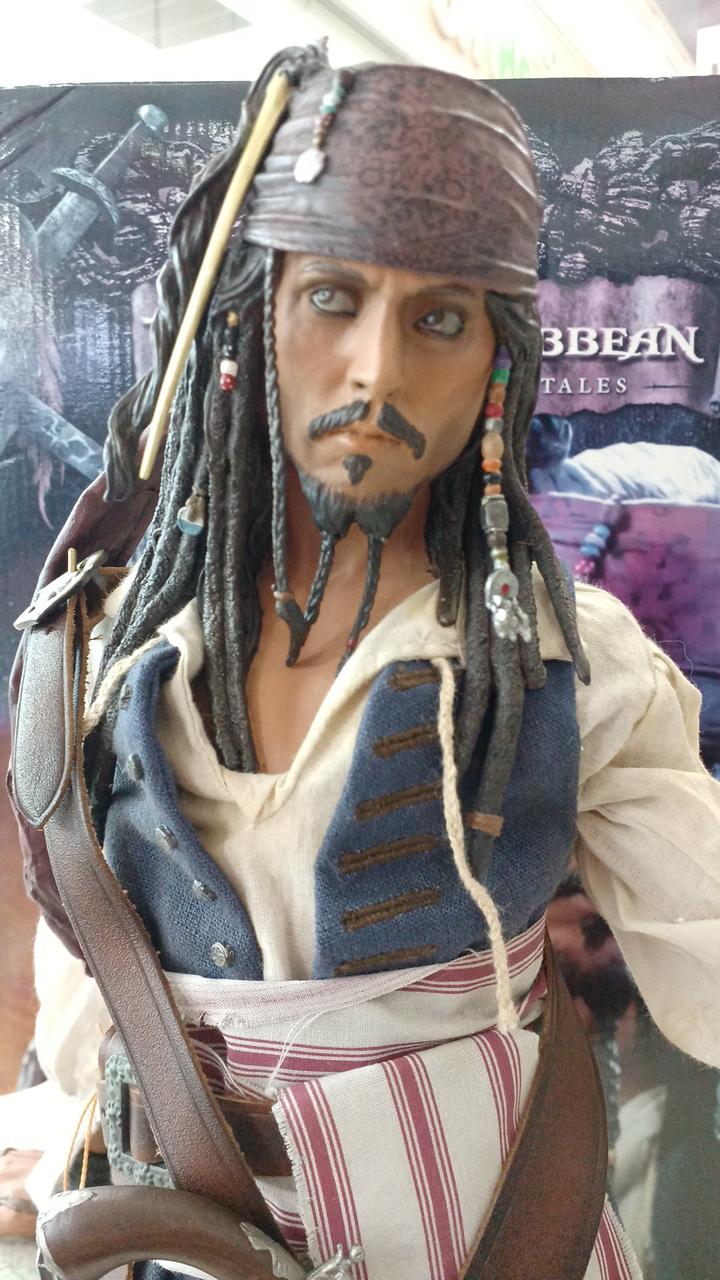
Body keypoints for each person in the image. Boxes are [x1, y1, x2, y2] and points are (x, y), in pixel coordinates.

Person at [6, 42, 720, 1280]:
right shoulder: (113, 646)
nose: (378, 370)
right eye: (333, 298)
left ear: (495, 362)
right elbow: (89, 987)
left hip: (483, 1230)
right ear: (253, 321)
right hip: (187, 1232)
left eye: (438, 320)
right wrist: (68, 1127)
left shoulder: (567, 659)